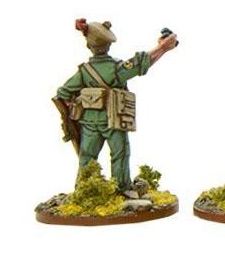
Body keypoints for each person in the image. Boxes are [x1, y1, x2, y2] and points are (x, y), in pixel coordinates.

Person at [55, 19, 177, 194]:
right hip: (113, 121)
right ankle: (121, 189)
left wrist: (75, 109)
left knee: (87, 157)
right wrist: (162, 47)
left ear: (89, 46)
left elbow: (63, 93)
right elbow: (140, 63)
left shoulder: (83, 71)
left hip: (89, 124)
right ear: (108, 45)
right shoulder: (115, 68)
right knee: (120, 154)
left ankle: (83, 190)